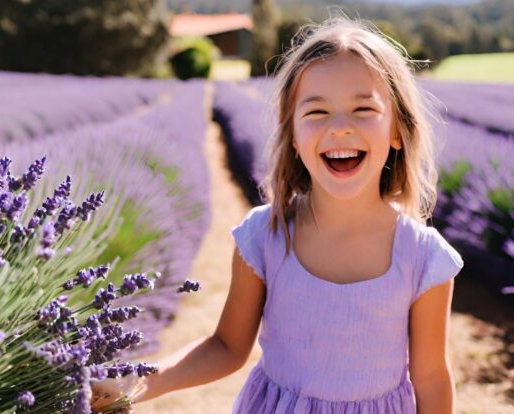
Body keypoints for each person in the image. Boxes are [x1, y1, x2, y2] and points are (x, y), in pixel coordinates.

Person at [92, 15, 464, 414]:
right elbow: (227, 346)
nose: (340, 128)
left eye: (362, 109)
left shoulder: (423, 257)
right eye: (317, 112)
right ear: (293, 135)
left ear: (396, 131)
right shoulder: (266, 237)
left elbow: (430, 378)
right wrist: (136, 384)